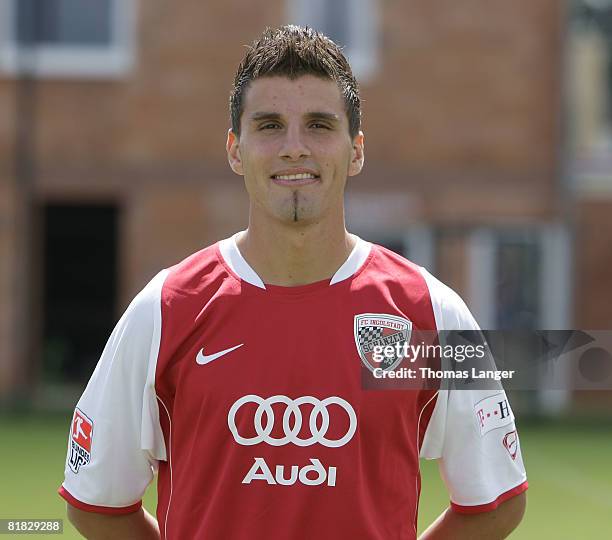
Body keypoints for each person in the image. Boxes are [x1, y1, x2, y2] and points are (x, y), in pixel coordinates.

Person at [59, 25, 527, 539]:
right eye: (270, 125)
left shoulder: (430, 313)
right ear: (236, 150)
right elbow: (96, 504)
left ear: (356, 150)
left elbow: (495, 501)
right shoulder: (166, 308)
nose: (294, 148)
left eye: (320, 125)